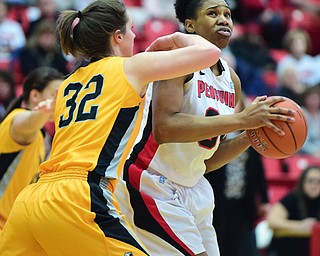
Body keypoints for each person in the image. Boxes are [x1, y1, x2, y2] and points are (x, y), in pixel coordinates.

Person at [0, 0, 222, 255]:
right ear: (118, 37)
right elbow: (210, 53)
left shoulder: (67, 84)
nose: (136, 35)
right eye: (131, 29)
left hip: (31, 199)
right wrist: (174, 37)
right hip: (80, 195)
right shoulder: (130, 68)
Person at [115, 0, 295, 255]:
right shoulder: (174, 61)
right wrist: (243, 120)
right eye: (212, 13)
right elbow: (165, 128)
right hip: (152, 181)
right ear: (190, 25)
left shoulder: (231, 79)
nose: (224, 19)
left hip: (195, 186)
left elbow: (209, 159)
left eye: (227, 14)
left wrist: (252, 134)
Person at [204, 94, 270, 256]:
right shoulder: (216, 133)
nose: (234, 108)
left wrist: (264, 199)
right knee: (217, 240)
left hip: (241, 198)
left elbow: (258, 171)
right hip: (216, 197)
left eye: (237, 105)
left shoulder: (249, 134)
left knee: (237, 243)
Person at [0, 66, 63, 231]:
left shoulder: (43, 136)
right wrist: (44, 112)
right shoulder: (16, 120)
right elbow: (28, 122)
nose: (60, 101)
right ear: (35, 95)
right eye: (55, 95)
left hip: (13, 228)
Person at [267, 165, 320, 256]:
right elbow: (272, 221)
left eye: (318, 181)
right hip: (286, 250)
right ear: (303, 182)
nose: (314, 185)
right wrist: (300, 226)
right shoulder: (292, 198)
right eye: (310, 180)